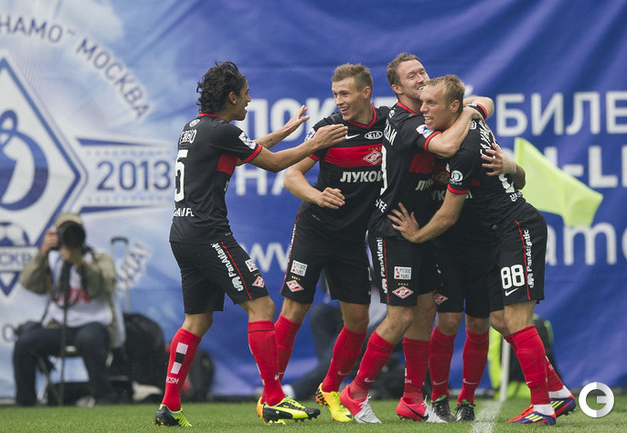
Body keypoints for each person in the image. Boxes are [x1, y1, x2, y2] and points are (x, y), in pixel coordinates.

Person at [154, 61, 348, 427]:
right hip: (209, 234)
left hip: (182, 233)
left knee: (196, 319)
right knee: (262, 305)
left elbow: (245, 150)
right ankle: (274, 398)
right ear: (231, 97)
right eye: (245, 94)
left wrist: (285, 132)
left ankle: (169, 404)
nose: (249, 99)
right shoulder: (220, 131)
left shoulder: (196, 127)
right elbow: (272, 164)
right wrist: (315, 143)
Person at [389, 74, 575, 425]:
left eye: (430, 103)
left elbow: (448, 215)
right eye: (422, 101)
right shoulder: (464, 120)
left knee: (516, 320)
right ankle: (557, 392)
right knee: (500, 320)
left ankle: (541, 407)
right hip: (495, 236)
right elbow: (482, 103)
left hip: (515, 229)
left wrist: (416, 236)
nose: (423, 109)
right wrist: (475, 111)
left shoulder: (463, 149)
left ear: (453, 107)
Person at [338, 53, 494, 424]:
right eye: (412, 75)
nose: (421, 77)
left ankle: (412, 399)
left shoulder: (429, 114)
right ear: (396, 88)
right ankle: (355, 392)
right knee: (400, 316)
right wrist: (470, 114)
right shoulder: (405, 121)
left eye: (423, 71)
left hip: (418, 230)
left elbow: (486, 100)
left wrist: (473, 107)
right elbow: (447, 147)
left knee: (424, 313)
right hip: (393, 229)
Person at [273, 63, 389, 423]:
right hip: (315, 231)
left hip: (352, 239)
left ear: (366, 93)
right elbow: (291, 176)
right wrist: (317, 196)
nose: (338, 100)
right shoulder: (329, 129)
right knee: (294, 311)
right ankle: (271, 395)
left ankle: (330, 388)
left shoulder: (388, 125)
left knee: (358, 320)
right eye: (335, 93)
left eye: (345, 93)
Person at [427, 145, 525, 422]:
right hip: (444, 249)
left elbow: (520, 180)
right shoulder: (427, 145)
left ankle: (467, 401)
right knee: (448, 322)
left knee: (479, 324)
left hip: (483, 248)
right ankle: (438, 398)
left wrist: (512, 167)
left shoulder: (479, 145)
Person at [14, 212, 118, 406]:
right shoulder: (52, 259)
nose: (69, 237)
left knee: (89, 339)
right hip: (58, 326)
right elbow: (28, 282)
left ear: (82, 233)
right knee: (24, 343)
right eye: (63, 231)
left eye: (73, 231)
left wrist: (81, 263)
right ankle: (25, 403)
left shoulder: (98, 257)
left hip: (93, 324)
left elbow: (103, 287)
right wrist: (43, 252)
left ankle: (104, 398)